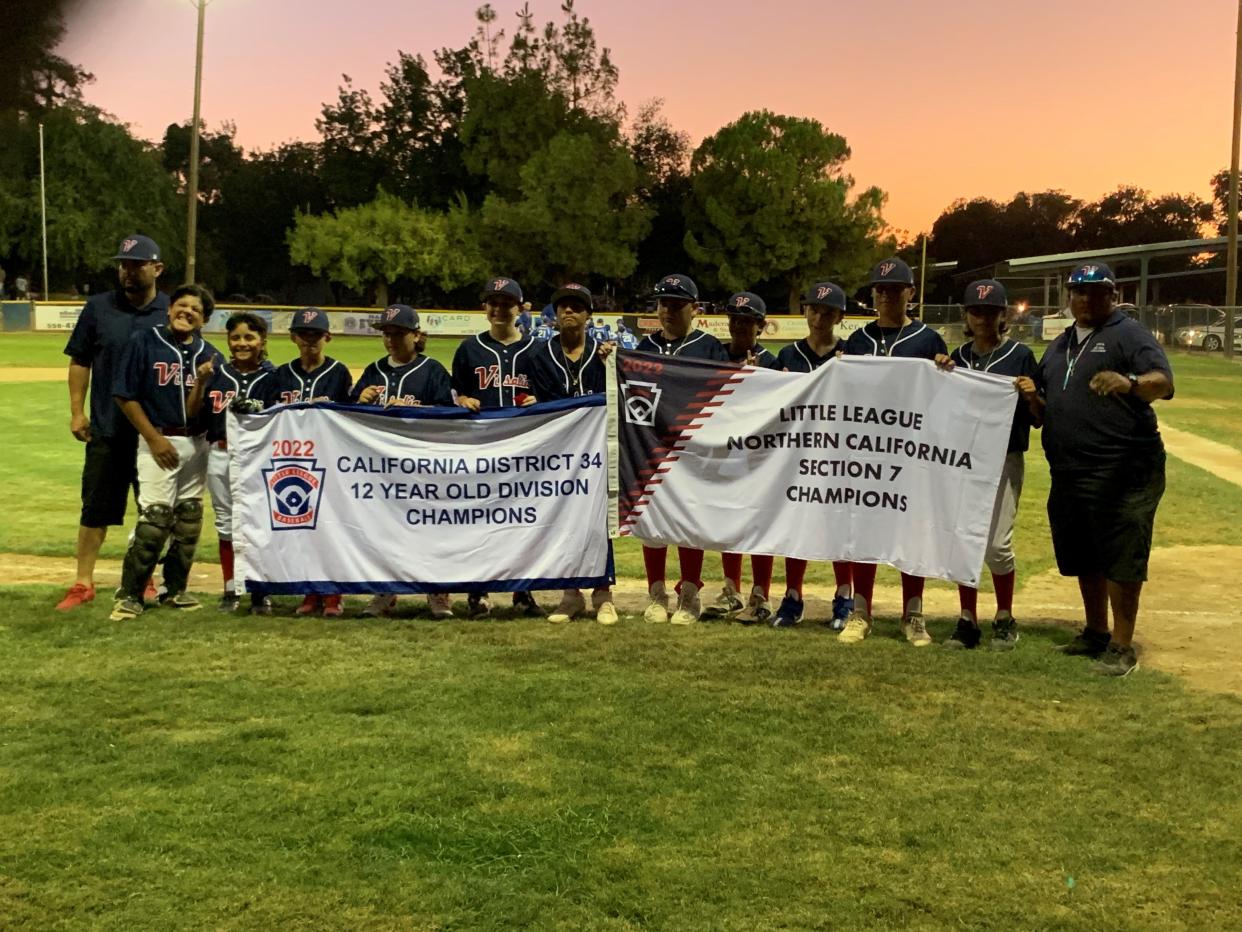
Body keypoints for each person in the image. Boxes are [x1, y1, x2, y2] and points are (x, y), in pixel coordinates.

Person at [1034, 262, 1174, 676]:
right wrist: (1029, 397)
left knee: (1120, 553)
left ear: (1113, 295)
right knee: (1084, 553)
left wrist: (1129, 382)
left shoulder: (1129, 334)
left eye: (1096, 292)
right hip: (1070, 469)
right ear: (1069, 296)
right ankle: (1095, 631)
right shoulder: (1060, 345)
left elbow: (1162, 382)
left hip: (1124, 468)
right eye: (1078, 291)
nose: (1086, 299)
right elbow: (1044, 407)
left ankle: (1122, 644)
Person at [57, 235, 171, 611]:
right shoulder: (98, 307)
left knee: (152, 510)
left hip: (153, 432)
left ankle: (146, 581)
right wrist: (77, 410)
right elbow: (79, 360)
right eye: (123, 263)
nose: (128, 270)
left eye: (137, 264)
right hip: (106, 427)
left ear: (157, 268)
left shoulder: (170, 311)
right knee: (95, 508)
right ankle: (82, 582)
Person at [839, 257, 947, 647]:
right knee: (863, 528)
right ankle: (861, 612)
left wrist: (943, 367)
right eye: (879, 289)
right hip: (866, 449)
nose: (885, 295)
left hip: (910, 450)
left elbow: (941, 397)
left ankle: (913, 614)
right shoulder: (858, 340)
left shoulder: (927, 339)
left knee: (911, 530)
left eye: (894, 288)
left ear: (910, 293)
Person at [934, 280, 1040, 650]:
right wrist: (940, 373)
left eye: (991, 311)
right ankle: (967, 620)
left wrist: (1032, 396)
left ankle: (1005, 615)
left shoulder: (1020, 355)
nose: (982, 317)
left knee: (996, 544)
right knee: (963, 538)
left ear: (1003, 315)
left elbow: (1040, 418)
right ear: (966, 315)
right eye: (976, 311)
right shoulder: (956, 358)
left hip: (1004, 458)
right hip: (962, 461)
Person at [108, 284, 223, 620]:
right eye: (181, 306)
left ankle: (174, 590)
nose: (187, 312)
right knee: (156, 518)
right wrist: (153, 439)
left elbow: (208, 407)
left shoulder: (210, 353)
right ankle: (130, 594)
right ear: (169, 309)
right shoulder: (143, 342)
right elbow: (124, 395)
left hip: (196, 443)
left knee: (188, 517)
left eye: (196, 310)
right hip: (158, 439)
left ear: (204, 320)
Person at [635, 273, 729, 625]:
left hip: (694, 451)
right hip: (652, 449)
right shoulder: (642, 349)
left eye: (676, 305)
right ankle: (656, 592)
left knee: (691, 521)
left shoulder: (708, 347)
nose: (668, 311)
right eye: (663, 304)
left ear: (694, 308)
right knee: (653, 521)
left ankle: (690, 593)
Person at [351, 304, 455, 620]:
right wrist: (360, 401)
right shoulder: (373, 371)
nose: (391, 340)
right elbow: (346, 421)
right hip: (383, 472)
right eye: (387, 334)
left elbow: (448, 418)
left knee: (431, 529)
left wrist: (416, 409)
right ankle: (385, 591)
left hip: (424, 467)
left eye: (398, 333)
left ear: (416, 335)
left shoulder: (433, 371)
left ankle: (438, 592)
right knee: (384, 531)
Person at [528, 281, 618, 626]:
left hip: (597, 452)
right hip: (558, 453)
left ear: (588, 315)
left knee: (599, 521)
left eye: (576, 307)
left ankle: (603, 594)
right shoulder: (540, 355)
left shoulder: (604, 353)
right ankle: (571, 595)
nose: (569, 311)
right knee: (562, 519)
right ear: (554, 314)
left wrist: (613, 362)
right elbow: (545, 403)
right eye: (563, 306)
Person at [451, 276, 541, 618]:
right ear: (485, 307)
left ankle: (523, 591)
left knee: (522, 520)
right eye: (494, 302)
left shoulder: (535, 349)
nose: (500, 309)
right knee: (480, 518)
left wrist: (539, 399)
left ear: (520, 308)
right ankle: (479, 591)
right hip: (481, 448)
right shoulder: (469, 349)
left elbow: (548, 393)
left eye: (507, 303)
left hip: (525, 450)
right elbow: (456, 392)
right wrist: (463, 398)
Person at [773, 281, 855, 630]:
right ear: (805, 311)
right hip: (797, 454)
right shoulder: (788, 355)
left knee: (841, 521)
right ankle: (793, 596)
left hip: (840, 452)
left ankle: (845, 595)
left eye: (827, 311)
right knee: (796, 523)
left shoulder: (851, 355)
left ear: (839, 316)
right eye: (813, 309)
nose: (819, 316)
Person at [191, 311, 278, 615]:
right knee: (226, 523)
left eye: (249, 337)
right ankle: (231, 587)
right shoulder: (217, 374)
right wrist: (200, 383)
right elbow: (195, 416)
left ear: (262, 340)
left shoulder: (273, 377)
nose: (242, 343)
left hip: (258, 459)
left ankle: (259, 590)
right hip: (220, 453)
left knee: (259, 523)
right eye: (236, 337)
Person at [702, 291, 780, 624]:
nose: (739, 326)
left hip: (763, 455)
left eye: (746, 321)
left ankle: (760, 594)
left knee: (760, 522)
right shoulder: (714, 356)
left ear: (760, 326)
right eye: (734, 319)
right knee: (729, 520)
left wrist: (755, 380)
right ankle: (731, 590)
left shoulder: (771, 362)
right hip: (723, 451)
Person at [271, 307, 353, 617]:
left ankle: (333, 594)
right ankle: (309, 592)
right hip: (291, 462)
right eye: (304, 336)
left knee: (331, 527)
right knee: (301, 528)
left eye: (315, 336)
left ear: (327, 337)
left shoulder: (338, 372)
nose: (310, 342)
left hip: (328, 461)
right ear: (293, 337)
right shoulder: (281, 374)